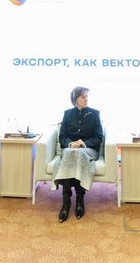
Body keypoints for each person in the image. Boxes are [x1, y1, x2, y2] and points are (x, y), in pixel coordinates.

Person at [51, 86, 103, 222]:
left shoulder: (95, 113)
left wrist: (83, 143)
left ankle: (79, 198)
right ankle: (66, 201)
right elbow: (62, 136)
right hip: (70, 150)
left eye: (87, 97)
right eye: (83, 97)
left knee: (76, 154)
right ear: (76, 100)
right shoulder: (68, 114)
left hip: (89, 150)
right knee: (72, 153)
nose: (86, 99)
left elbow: (98, 137)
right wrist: (70, 143)